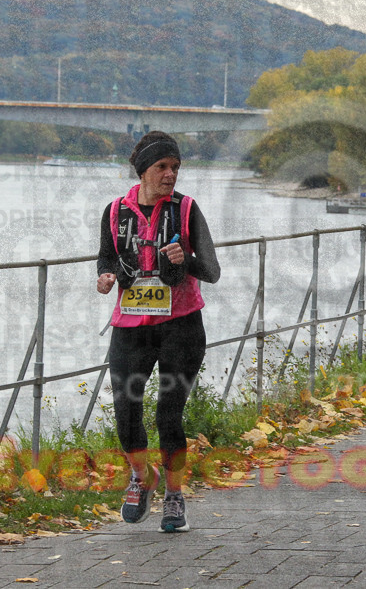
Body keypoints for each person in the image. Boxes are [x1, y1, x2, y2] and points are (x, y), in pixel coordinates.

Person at [96, 131, 221, 531]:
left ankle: (174, 496)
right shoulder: (115, 211)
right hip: (131, 327)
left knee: (169, 414)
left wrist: (185, 260)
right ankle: (141, 476)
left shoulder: (186, 209)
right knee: (125, 410)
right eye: (162, 167)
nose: (170, 175)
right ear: (143, 171)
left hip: (180, 326)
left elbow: (212, 271)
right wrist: (105, 276)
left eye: (176, 167)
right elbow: (107, 257)